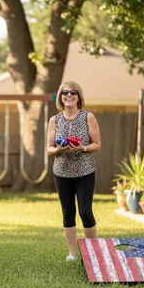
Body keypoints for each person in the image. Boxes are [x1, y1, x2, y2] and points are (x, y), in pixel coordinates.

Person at [46, 81, 101, 261]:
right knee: (67, 212)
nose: (68, 95)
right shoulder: (54, 120)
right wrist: (59, 150)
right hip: (61, 173)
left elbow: (97, 145)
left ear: (79, 97)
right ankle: (72, 254)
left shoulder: (88, 117)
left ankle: (93, 254)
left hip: (84, 172)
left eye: (73, 92)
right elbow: (49, 148)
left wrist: (82, 148)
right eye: (65, 93)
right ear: (61, 97)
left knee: (85, 211)